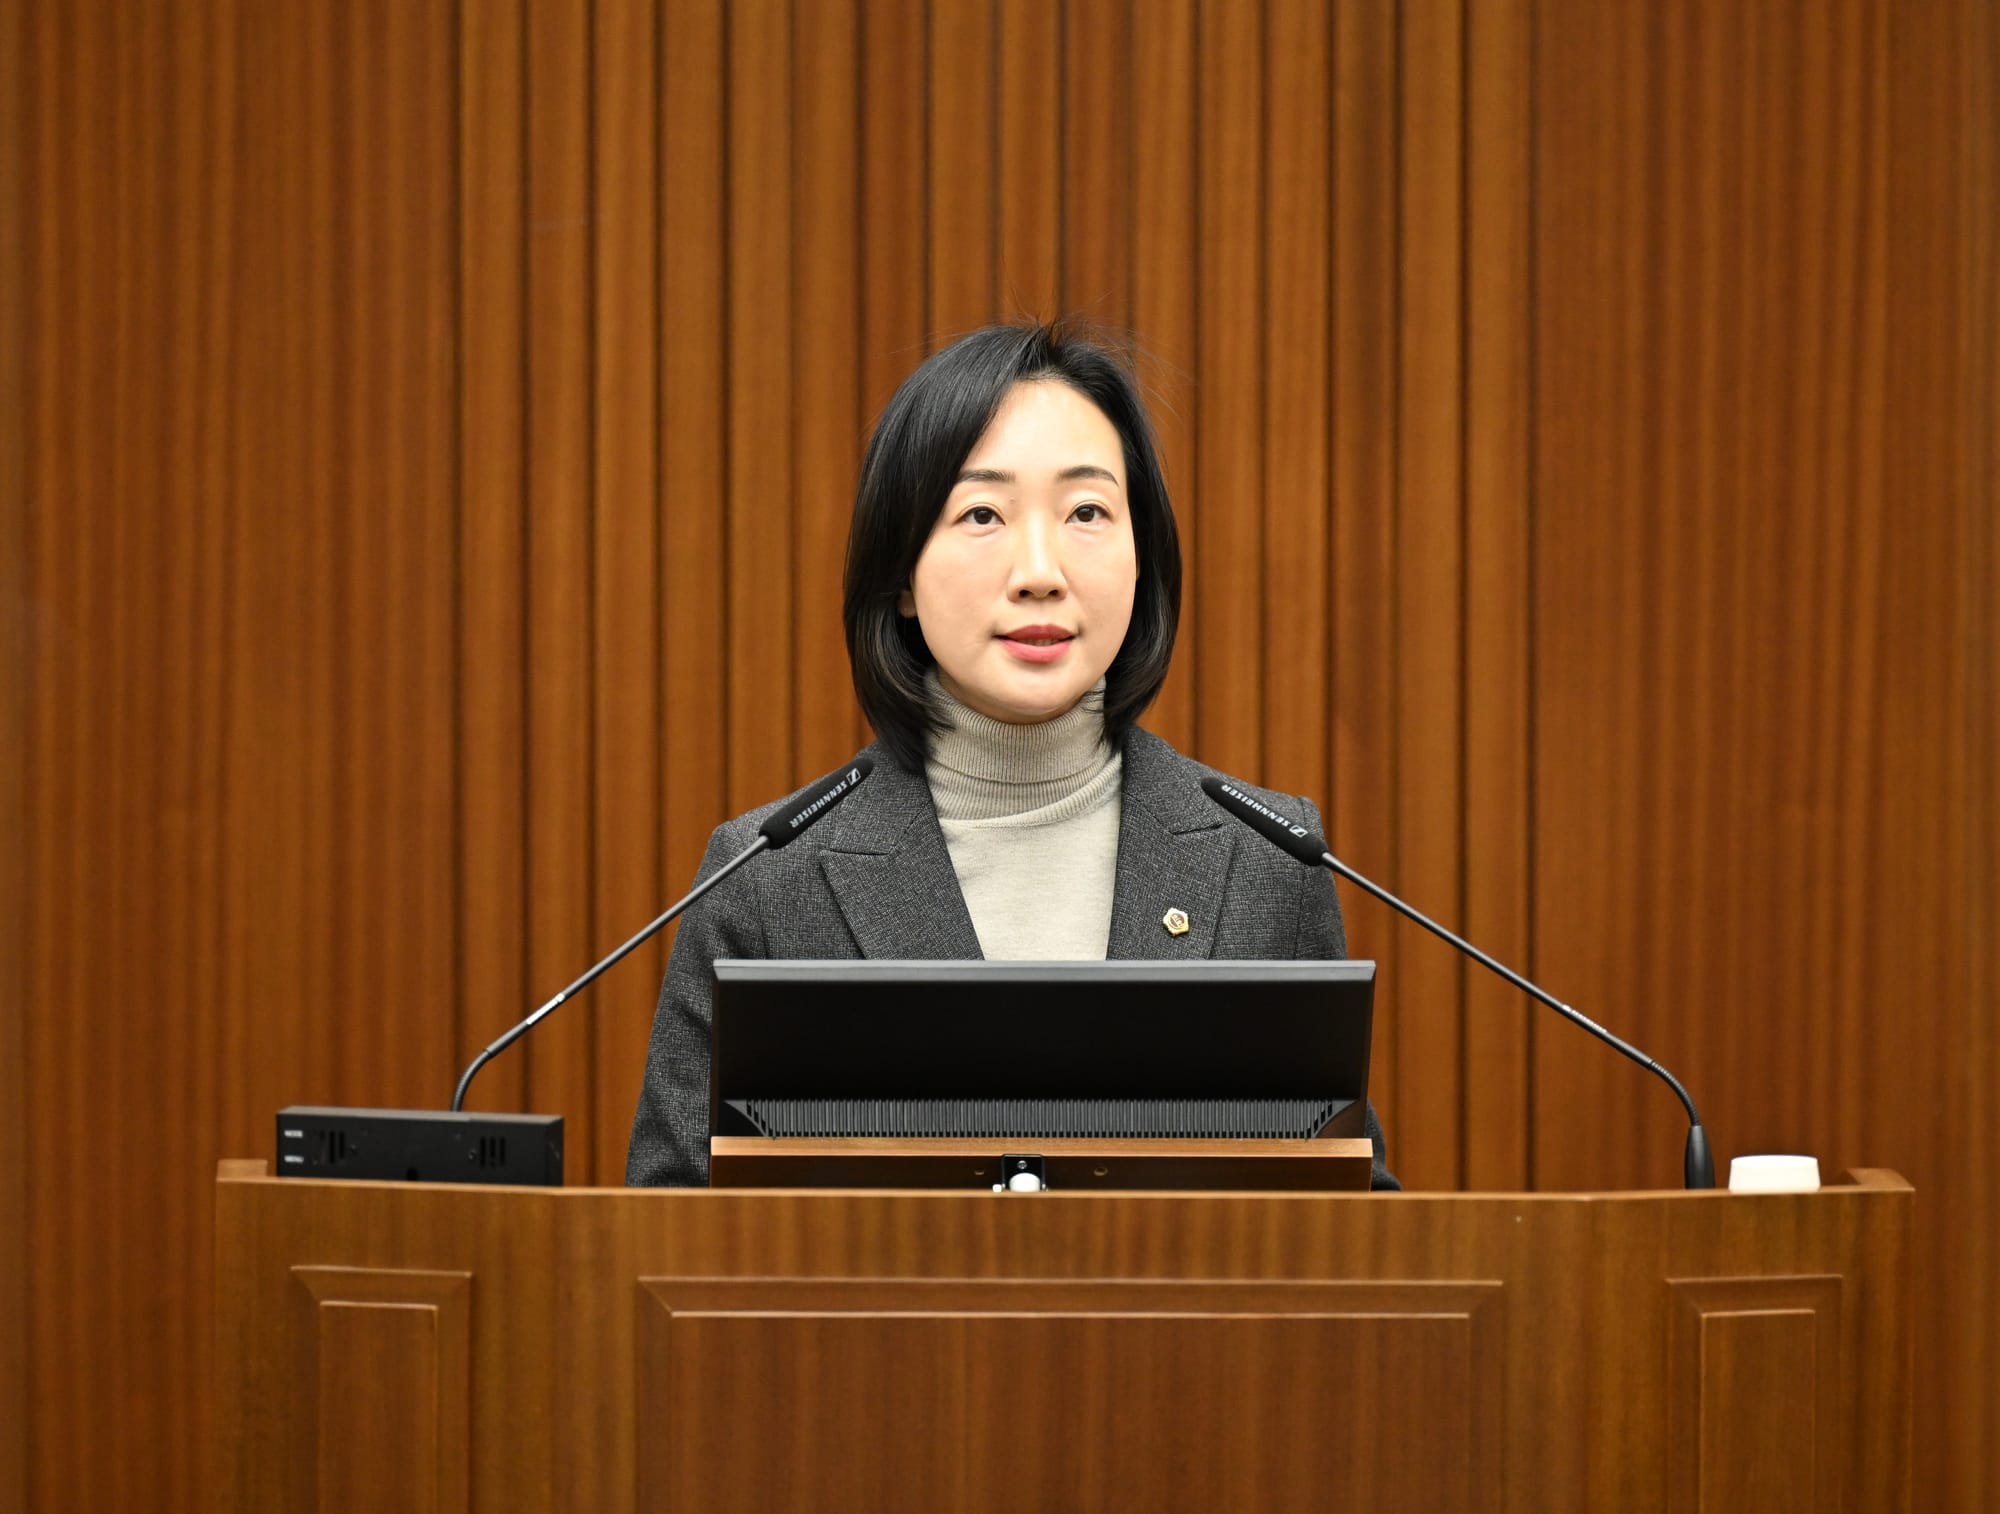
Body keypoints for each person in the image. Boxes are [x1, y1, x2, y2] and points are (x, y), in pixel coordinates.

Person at [626, 321, 1397, 1189]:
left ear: (1144, 558)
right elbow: (670, 1253)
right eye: (983, 513)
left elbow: (1351, 1235)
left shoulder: (1269, 860)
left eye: (1088, 513)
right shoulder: (768, 877)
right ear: (900, 575)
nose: (1040, 570)